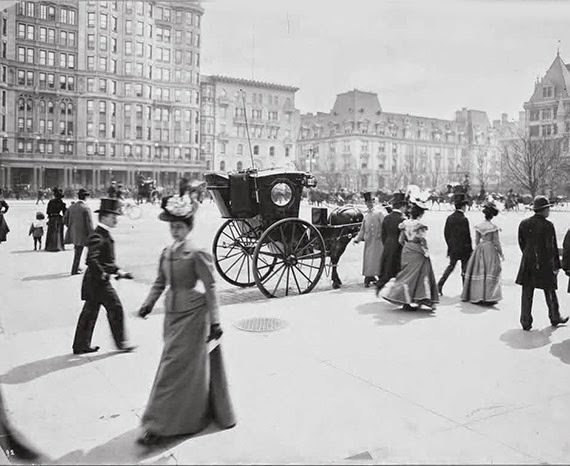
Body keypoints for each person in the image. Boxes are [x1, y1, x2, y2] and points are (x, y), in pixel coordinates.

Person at [137, 195, 235, 446]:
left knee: (173, 371)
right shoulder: (167, 252)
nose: (175, 231)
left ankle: (158, 425)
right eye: (172, 227)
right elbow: (160, 281)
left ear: (189, 228)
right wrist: (148, 303)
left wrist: (215, 323)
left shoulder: (197, 253)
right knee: (178, 370)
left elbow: (211, 288)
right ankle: (180, 419)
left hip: (193, 317)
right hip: (172, 316)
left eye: (180, 227)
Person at [72, 198, 137, 354]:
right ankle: (121, 343)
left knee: (89, 313)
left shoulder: (103, 234)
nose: (116, 219)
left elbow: (106, 261)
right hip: (98, 282)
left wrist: (120, 272)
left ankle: (80, 345)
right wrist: (103, 274)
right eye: (114, 216)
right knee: (115, 308)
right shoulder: (98, 236)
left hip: (94, 281)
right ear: (105, 217)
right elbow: (91, 259)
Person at [516, 195, 569, 331]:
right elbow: (551, 248)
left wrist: (528, 255)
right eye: (548, 208)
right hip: (544, 263)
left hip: (528, 262)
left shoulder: (524, 223)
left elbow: (521, 243)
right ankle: (555, 316)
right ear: (544, 210)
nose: (549, 211)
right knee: (550, 291)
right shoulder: (548, 225)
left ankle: (525, 321)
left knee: (527, 293)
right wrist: (557, 265)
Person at [380, 200, 438, 311]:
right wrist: (425, 251)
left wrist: (408, 247)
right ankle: (422, 298)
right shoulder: (420, 225)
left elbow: (400, 240)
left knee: (406, 274)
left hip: (406, 250)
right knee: (422, 273)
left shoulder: (405, 224)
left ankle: (407, 299)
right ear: (420, 214)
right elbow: (422, 240)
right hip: (417, 250)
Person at [461, 201, 504, 304]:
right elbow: (496, 242)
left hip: (480, 248)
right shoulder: (493, 227)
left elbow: (476, 240)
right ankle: (489, 296)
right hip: (490, 248)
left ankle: (478, 295)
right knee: (491, 270)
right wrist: (501, 253)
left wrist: (477, 250)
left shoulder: (479, 226)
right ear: (492, 216)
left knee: (479, 271)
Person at [437, 193, 473, 295]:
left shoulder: (450, 218)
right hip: (464, 249)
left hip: (453, 247)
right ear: (463, 206)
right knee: (464, 270)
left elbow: (446, 233)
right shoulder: (464, 219)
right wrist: (470, 249)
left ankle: (440, 284)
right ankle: (465, 290)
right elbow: (467, 236)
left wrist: (450, 245)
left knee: (451, 267)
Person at [375, 192, 407, 295]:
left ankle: (380, 285)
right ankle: (396, 293)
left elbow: (383, 234)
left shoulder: (387, 218)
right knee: (398, 269)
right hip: (398, 246)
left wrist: (386, 244)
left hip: (388, 245)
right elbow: (403, 237)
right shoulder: (402, 219)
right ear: (402, 206)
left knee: (387, 268)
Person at [354, 192, 384, 287]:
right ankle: (368, 277)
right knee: (368, 260)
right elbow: (362, 229)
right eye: (367, 202)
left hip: (378, 241)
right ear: (365, 203)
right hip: (369, 241)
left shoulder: (379, 213)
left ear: (374, 202)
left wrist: (382, 235)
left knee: (377, 259)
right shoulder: (366, 215)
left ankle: (379, 276)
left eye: (371, 201)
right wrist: (357, 239)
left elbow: (385, 226)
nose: (369, 203)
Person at [66, 188, 94, 275]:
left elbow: (65, 220)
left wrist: (71, 227)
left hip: (74, 233)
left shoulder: (71, 207)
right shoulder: (86, 208)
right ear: (85, 197)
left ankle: (76, 268)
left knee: (77, 252)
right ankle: (76, 270)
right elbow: (89, 224)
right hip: (83, 234)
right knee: (86, 252)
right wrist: (92, 235)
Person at [45, 187, 66, 252]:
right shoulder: (62, 203)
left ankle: (50, 246)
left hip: (52, 218)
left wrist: (49, 216)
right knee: (58, 232)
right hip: (58, 218)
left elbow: (47, 212)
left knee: (51, 232)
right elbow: (64, 212)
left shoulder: (51, 202)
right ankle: (59, 246)